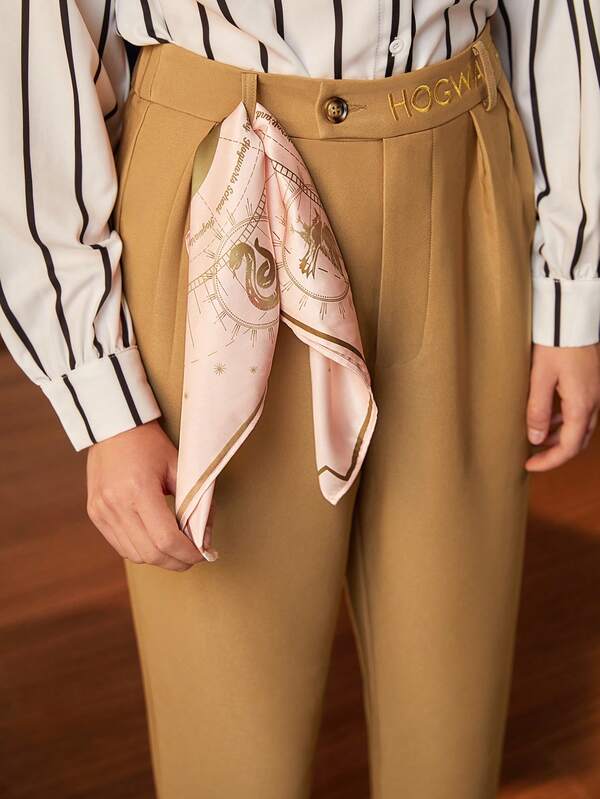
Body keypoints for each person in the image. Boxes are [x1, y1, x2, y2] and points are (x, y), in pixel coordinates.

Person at [1, 2, 599, 798]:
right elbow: (39, 50)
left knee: (452, 705)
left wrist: (573, 285)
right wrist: (100, 396)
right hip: (222, 181)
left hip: (463, 165)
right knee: (230, 738)